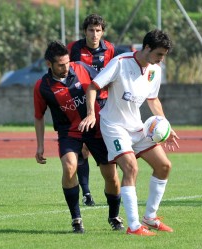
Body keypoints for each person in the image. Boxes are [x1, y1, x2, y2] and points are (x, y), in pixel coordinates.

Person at [79, 29, 180, 236]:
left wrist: (166, 126)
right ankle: (134, 226)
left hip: (137, 127)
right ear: (147, 48)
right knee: (131, 168)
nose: (161, 60)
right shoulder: (120, 62)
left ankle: (150, 217)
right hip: (114, 126)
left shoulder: (155, 70)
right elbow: (93, 87)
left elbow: (153, 100)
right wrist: (91, 114)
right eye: (159, 54)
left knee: (164, 166)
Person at [34, 41, 124, 233]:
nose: (66, 67)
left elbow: (104, 82)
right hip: (69, 132)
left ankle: (114, 216)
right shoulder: (42, 86)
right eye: (60, 64)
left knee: (111, 176)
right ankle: (76, 219)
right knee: (69, 167)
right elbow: (39, 116)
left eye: (67, 62)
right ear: (49, 64)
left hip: (96, 128)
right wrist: (40, 146)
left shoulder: (82, 68)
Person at [67, 13, 117, 206]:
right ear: (85, 31)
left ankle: (114, 188)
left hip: (104, 104)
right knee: (82, 148)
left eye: (98, 30)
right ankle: (86, 193)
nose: (94, 34)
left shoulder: (109, 49)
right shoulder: (75, 48)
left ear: (102, 32)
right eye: (91, 30)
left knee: (107, 148)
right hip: (81, 103)